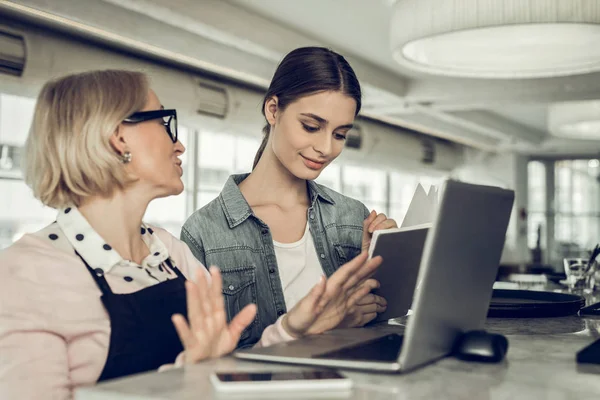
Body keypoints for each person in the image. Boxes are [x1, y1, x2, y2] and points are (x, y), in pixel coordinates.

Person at [0, 70, 376, 399]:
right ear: (119, 138)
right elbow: (196, 378)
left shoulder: (171, 253)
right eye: (165, 124)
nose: (179, 144)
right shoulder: (26, 276)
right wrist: (186, 378)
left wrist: (292, 329)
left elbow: (226, 376)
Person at [181, 47, 397, 348]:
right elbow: (203, 361)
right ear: (273, 110)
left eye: (339, 135)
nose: (325, 147)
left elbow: (377, 330)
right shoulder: (204, 231)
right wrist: (326, 324)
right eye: (311, 126)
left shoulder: (352, 217)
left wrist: (385, 267)